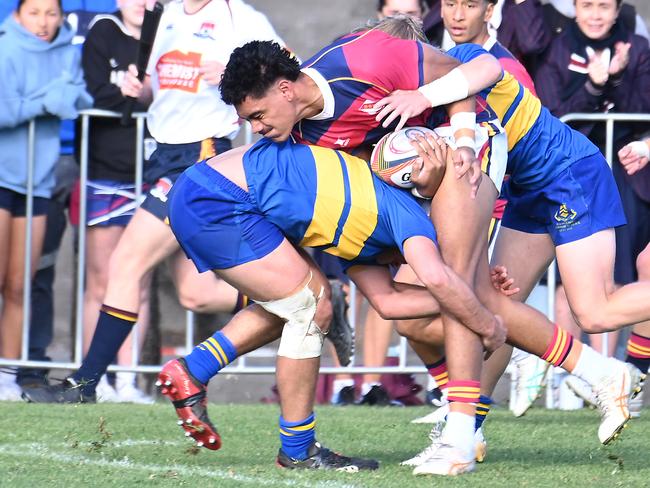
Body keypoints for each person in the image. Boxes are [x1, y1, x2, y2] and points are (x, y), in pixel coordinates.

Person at [218, 20, 646, 474]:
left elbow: (482, 71)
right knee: (464, 300)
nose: (254, 129)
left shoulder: (379, 62)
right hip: (511, 188)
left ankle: (464, 435)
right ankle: (583, 378)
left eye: (256, 117)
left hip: (528, 162)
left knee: (569, 307)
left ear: (284, 89)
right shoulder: (308, 131)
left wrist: (445, 120)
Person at [162, 131, 504, 470]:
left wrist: (466, 299)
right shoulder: (405, 215)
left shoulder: (363, 214)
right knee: (308, 306)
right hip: (219, 197)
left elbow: (389, 303)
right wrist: (486, 319)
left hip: (213, 188)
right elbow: (436, 278)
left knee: (304, 300)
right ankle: (297, 450)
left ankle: (194, 371)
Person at [21, 0, 284, 403]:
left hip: (201, 157)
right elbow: (157, 91)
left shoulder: (241, 17)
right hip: (164, 154)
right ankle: (302, 298)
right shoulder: (166, 15)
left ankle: (85, 384)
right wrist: (138, 90)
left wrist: (242, 77)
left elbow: (290, 75)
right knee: (195, 294)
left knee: (126, 263)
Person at [0, 0, 91, 400]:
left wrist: (61, 97)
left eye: (51, 13)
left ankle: (6, 378)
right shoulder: (5, 46)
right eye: (34, 12)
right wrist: (42, 101)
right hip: (2, 175)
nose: (44, 22)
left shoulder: (68, 50)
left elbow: (80, 99)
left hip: (38, 180)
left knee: (20, 284)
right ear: (18, 13)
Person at [77, 0, 154, 403]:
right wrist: (121, 93)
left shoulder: (169, 32)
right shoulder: (103, 31)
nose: (141, 3)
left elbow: (173, 98)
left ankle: (128, 379)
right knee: (100, 280)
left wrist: (146, 95)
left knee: (137, 280)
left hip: (153, 171)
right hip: (107, 172)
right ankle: (95, 378)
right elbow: (88, 92)